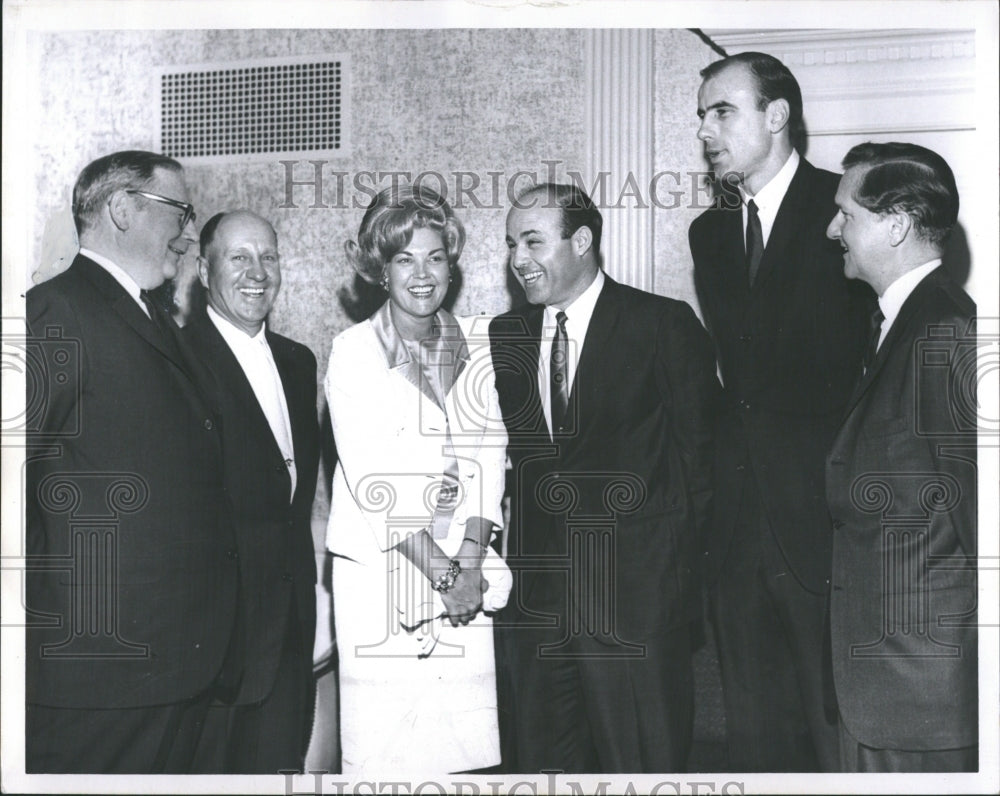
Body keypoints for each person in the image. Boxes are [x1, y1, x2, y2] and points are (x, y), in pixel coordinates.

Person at [24, 150, 241, 773]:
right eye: (179, 210)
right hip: (102, 675)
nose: (188, 232)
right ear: (121, 208)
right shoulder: (54, 312)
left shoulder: (154, 316)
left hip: (171, 666)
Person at [490, 182, 717, 773]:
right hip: (539, 606)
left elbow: (704, 466)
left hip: (635, 606)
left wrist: (672, 585)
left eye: (533, 241)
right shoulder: (506, 337)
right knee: (543, 771)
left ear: (583, 241)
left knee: (639, 766)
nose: (518, 258)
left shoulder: (662, 325)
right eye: (513, 243)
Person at [688, 52, 873, 771]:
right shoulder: (710, 234)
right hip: (736, 526)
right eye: (702, 115)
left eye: (722, 111)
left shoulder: (847, 208)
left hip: (824, 520)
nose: (706, 129)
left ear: (777, 115)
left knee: (836, 729)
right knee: (754, 733)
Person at [325, 185, 510, 775]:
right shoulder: (353, 352)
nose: (422, 273)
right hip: (384, 576)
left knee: (461, 755)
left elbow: (489, 455)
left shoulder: (476, 342)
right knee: (388, 757)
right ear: (381, 269)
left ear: (451, 265)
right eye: (405, 259)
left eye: (434, 256)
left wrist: (472, 564)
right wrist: (448, 574)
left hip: (466, 570)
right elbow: (375, 484)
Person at [824, 142, 977, 772]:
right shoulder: (893, 323)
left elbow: (982, 521)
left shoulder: (944, 331)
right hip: (883, 683)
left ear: (895, 226)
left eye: (846, 215)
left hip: (923, 691)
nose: (832, 228)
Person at [181, 210, 320, 773]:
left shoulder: (298, 360)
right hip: (215, 646)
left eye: (268, 256)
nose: (256, 272)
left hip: (289, 631)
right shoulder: (177, 359)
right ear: (203, 268)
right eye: (238, 257)